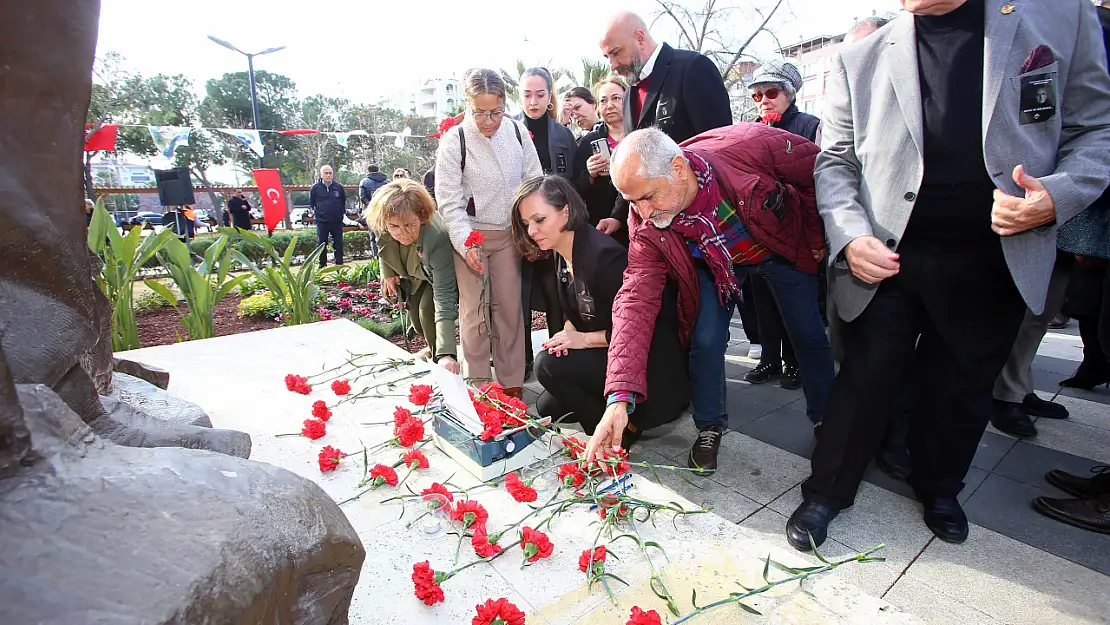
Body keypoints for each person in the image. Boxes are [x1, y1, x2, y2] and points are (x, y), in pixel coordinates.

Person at [789, 0, 1110, 552]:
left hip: (995, 256)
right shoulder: (860, 55)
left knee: (960, 389)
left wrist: (1054, 198)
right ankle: (826, 492)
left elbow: (1096, 131)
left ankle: (939, 487)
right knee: (864, 381)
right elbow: (835, 160)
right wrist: (849, 234)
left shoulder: (1061, 18)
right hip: (888, 255)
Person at [583, 125, 832, 471]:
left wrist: (816, 234)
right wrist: (619, 397)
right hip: (717, 264)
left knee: (807, 332)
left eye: (649, 196)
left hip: (778, 247)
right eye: (632, 202)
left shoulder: (748, 146)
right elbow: (635, 302)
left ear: (678, 169)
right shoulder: (646, 225)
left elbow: (817, 171)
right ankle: (710, 425)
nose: (642, 212)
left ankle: (827, 420)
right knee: (706, 339)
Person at [512, 175, 689, 449]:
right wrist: (567, 334)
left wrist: (581, 340)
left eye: (539, 220)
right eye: (526, 224)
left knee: (546, 366)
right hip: (608, 350)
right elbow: (576, 310)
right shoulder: (562, 249)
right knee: (548, 405)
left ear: (565, 211)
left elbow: (645, 329)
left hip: (648, 367)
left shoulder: (604, 257)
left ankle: (619, 434)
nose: (532, 231)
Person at [434, 68, 543, 398]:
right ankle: (478, 386)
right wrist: (467, 243)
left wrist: (530, 231)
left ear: (504, 104)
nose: (488, 120)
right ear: (467, 105)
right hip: (473, 234)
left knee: (510, 310)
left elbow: (534, 183)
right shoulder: (456, 140)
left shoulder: (518, 133)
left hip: (509, 233)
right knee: (475, 311)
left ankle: (511, 386)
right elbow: (449, 201)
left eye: (494, 112)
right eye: (479, 112)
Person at [596, 11, 733, 240]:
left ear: (639, 38)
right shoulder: (629, 94)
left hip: (705, 224)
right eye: (606, 56)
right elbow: (633, 162)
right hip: (659, 229)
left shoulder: (692, 68)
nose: (612, 65)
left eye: (616, 53)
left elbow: (720, 148)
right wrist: (618, 216)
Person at [744, 60, 822, 390]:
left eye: (771, 92)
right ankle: (769, 359)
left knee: (795, 303)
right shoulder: (750, 129)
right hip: (759, 231)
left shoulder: (809, 125)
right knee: (761, 299)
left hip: (797, 229)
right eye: (757, 94)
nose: (763, 100)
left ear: (789, 93)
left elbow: (818, 180)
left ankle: (794, 363)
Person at [514, 67, 576, 379]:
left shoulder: (563, 135)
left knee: (556, 293)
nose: (534, 101)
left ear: (549, 96)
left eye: (540, 94)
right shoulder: (508, 131)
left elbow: (573, 184)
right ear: (519, 95)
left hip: (555, 229)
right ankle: (522, 360)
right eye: (527, 94)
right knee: (520, 295)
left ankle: (558, 355)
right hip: (520, 229)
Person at [367, 179, 461, 375]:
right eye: (394, 227)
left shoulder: (436, 236)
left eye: (409, 225)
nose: (403, 233)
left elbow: (444, 295)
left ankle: (441, 360)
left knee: (427, 311)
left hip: (434, 276)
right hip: (413, 274)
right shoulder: (384, 222)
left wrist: (447, 354)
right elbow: (384, 246)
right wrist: (388, 274)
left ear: (422, 216)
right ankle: (431, 347)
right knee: (417, 323)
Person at [571, 76, 629, 233]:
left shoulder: (640, 136)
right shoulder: (589, 141)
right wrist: (589, 174)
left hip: (636, 222)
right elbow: (574, 188)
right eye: (603, 101)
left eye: (616, 98)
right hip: (599, 225)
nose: (609, 105)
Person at [309, 165, 347, 267]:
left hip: (336, 221)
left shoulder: (338, 187)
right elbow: (312, 203)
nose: (328, 175)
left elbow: (343, 202)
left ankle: (339, 265)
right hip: (322, 221)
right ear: (321, 175)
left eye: (330, 173)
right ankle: (322, 266)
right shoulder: (315, 188)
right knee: (321, 244)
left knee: (338, 244)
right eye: (326, 173)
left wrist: (340, 214)